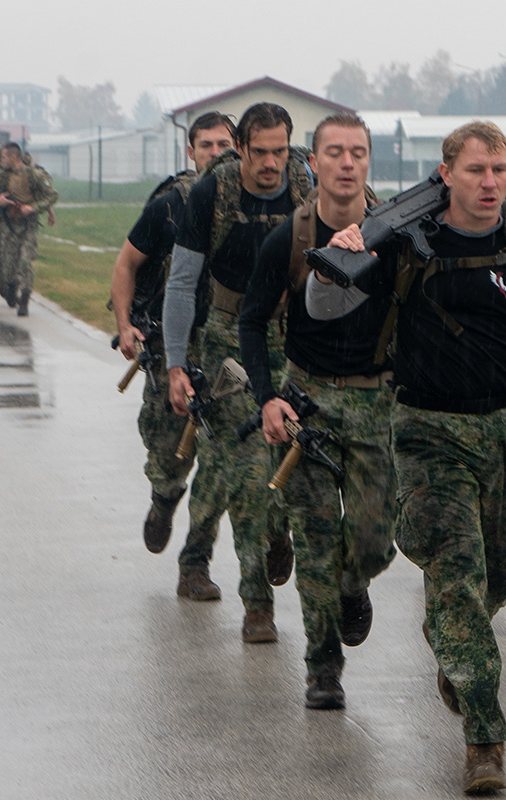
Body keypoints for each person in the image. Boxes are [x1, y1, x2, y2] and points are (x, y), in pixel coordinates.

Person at [308, 120, 506, 794]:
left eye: (500, 171)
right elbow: (323, 305)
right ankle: (485, 738)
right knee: (455, 571)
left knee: (496, 584)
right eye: (475, 170)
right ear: (445, 173)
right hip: (423, 432)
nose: (489, 183)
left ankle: (457, 651)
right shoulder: (405, 238)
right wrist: (341, 251)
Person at [239, 113, 396, 710]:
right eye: (335, 152)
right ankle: (323, 667)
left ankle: (355, 585)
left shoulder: (394, 232)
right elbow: (252, 322)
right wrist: (267, 397)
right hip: (308, 398)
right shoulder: (290, 237)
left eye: (358, 152)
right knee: (316, 537)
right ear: (314, 161)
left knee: (376, 536)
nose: (347, 163)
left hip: (377, 398)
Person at [163, 102, 311, 643]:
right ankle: (255, 602)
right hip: (228, 336)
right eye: (260, 152)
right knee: (243, 466)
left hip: (292, 335)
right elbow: (181, 285)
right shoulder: (213, 192)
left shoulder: (305, 185)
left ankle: (276, 532)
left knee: (290, 460)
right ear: (240, 149)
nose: (271, 163)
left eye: (280, 151)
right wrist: (177, 363)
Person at [109, 111, 235, 601]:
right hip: (170, 348)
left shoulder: (252, 206)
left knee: (226, 460)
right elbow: (126, 264)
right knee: (168, 452)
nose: (216, 152)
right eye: (206, 144)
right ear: (191, 151)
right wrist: (125, 326)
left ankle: (195, 563)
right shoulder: (171, 205)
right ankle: (164, 497)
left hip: (229, 351)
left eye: (225, 143)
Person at [0, 142, 58, 316]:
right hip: (9, 225)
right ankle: (12, 287)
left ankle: (25, 299)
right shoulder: (1, 176)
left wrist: (34, 208)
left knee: (25, 261)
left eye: (4, 157)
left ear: (13, 157)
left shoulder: (33, 175)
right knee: (8, 266)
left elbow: (52, 195)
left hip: (28, 225)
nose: (2, 161)